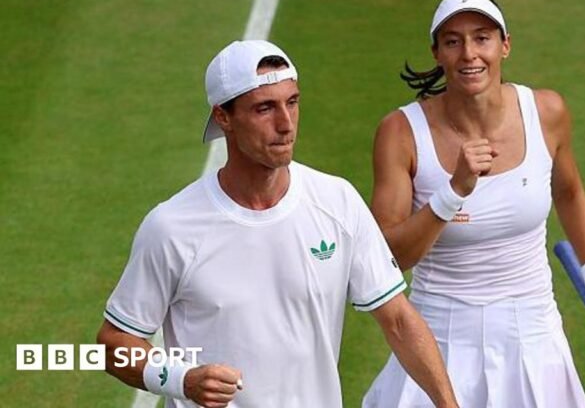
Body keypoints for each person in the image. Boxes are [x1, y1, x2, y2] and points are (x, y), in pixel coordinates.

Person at [96, 40, 459, 408]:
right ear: (224, 117)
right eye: (265, 108)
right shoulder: (171, 228)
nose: (285, 124)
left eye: (292, 102)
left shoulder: (338, 202)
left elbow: (398, 319)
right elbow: (114, 343)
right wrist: (183, 380)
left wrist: (449, 404)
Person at [362, 0, 585, 408]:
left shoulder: (547, 112)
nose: (469, 53)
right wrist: (451, 193)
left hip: (533, 336)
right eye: (453, 41)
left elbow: (570, 192)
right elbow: (392, 256)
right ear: (437, 53)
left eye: (482, 38)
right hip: (438, 340)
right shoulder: (400, 133)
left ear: (504, 45)